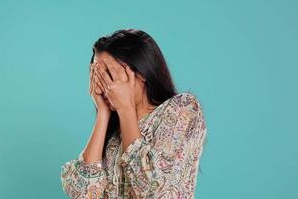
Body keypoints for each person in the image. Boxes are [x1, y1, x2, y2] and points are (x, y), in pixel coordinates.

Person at [60, 29, 207, 198]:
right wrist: (103, 112)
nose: (101, 85)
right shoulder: (114, 135)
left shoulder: (182, 108)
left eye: (107, 74)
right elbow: (83, 192)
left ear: (140, 73)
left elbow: (151, 187)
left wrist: (125, 108)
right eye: (96, 76)